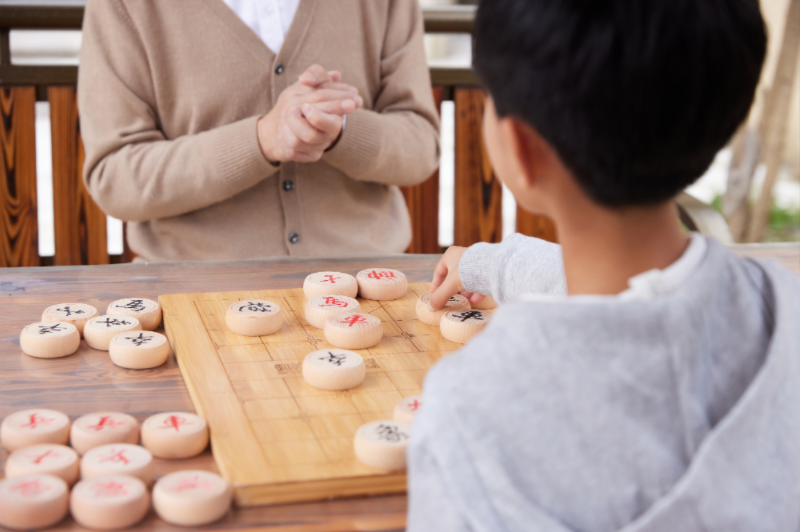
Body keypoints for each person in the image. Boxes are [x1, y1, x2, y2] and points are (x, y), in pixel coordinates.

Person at [408, 0, 800, 530]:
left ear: (520, 151)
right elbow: (644, 305)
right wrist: (486, 263)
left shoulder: (470, 413)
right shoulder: (786, 309)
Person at [78, 0, 439, 262]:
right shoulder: (123, 6)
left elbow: (421, 145)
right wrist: (262, 140)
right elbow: (115, 176)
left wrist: (339, 126)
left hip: (366, 288)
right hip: (195, 292)